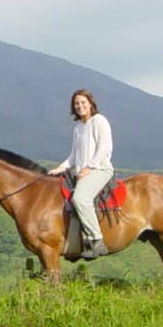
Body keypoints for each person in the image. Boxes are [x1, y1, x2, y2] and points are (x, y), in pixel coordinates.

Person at [48, 89, 114, 260]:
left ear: (91, 104)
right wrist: (59, 169)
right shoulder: (78, 128)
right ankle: (75, 243)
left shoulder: (99, 121)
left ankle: (97, 242)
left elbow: (104, 148)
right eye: (76, 103)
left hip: (100, 169)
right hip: (82, 173)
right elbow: (73, 157)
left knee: (80, 199)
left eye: (83, 102)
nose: (80, 106)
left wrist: (89, 168)